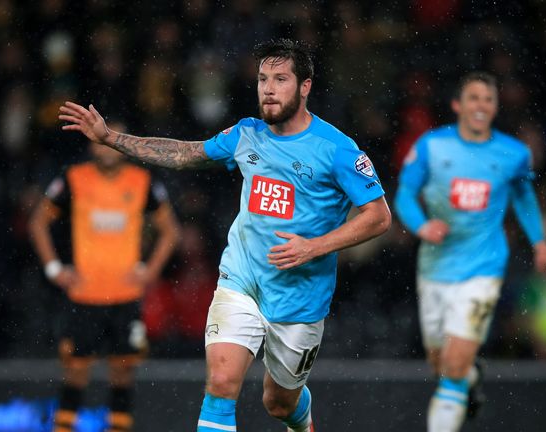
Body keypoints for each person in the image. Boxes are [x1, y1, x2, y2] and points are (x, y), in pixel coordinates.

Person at [58, 39, 391, 432]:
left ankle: (299, 416)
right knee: (220, 383)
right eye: (263, 78)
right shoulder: (246, 134)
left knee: (278, 402)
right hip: (241, 281)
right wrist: (112, 138)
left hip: (300, 298)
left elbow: (379, 216)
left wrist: (314, 246)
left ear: (305, 87)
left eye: (281, 79)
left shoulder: (336, 149)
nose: (268, 88)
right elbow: (186, 153)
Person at [394, 71, 546, 432]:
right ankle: (471, 375)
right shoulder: (431, 147)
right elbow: (404, 194)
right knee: (440, 364)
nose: (481, 105)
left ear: (495, 107)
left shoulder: (514, 154)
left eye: (488, 99)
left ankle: (460, 379)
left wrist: (539, 241)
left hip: (483, 269)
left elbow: (523, 196)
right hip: (435, 267)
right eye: (474, 98)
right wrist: (422, 226)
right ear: (457, 105)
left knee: (451, 370)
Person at [29, 121, 180, 432]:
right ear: (90, 144)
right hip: (84, 295)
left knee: (123, 373)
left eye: (113, 139)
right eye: (100, 140)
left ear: (122, 144)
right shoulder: (73, 179)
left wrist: (150, 272)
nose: (105, 147)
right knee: (75, 373)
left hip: (125, 296)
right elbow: (37, 222)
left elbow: (171, 231)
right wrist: (54, 269)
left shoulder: (142, 181)